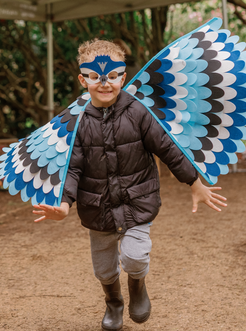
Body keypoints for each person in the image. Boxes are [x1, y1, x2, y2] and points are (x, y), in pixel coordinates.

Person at [32, 39, 227, 330]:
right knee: (104, 269)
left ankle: (137, 285)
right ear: (82, 79)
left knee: (135, 257)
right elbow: (72, 167)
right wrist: (63, 204)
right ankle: (113, 302)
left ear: (122, 77)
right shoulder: (76, 121)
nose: (105, 83)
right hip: (96, 206)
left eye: (112, 76)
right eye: (96, 76)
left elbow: (169, 149)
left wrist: (194, 183)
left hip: (138, 201)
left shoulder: (139, 112)